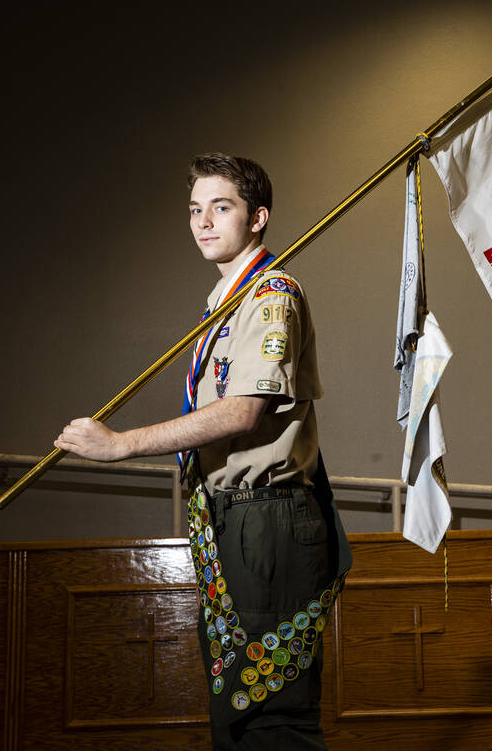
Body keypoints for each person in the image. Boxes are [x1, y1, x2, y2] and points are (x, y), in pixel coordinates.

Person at [54, 152, 350, 750]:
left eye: (222, 207)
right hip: (228, 519)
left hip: (267, 519)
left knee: (271, 713)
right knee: (234, 713)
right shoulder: (224, 302)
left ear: (258, 217)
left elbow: (244, 411)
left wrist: (121, 445)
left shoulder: (270, 297)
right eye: (195, 209)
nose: (203, 222)